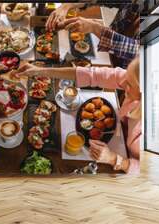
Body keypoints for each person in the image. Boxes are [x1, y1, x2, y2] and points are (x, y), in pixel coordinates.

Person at [13, 58, 141, 174]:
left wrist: (114, 159)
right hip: (115, 134)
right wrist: (40, 71)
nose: (123, 84)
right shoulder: (133, 78)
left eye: (129, 84)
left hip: (121, 168)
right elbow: (92, 74)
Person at [46, 3, 139, 69]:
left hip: (125, 73)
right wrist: (67, 5)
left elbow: (135, 50)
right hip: (106, 52)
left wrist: (95, 28)